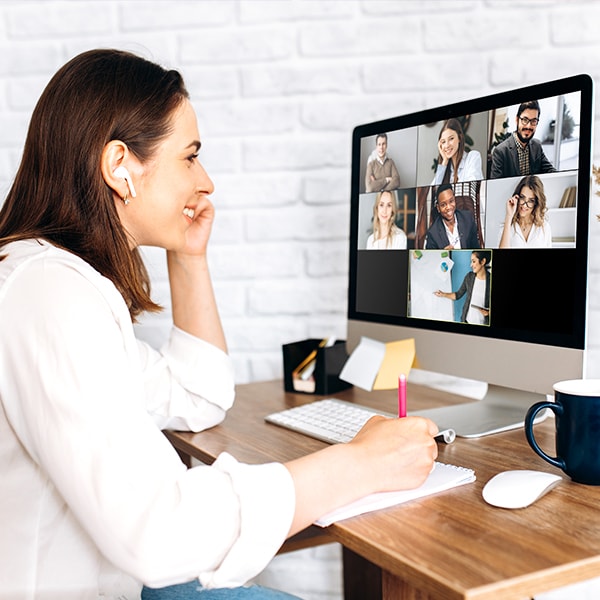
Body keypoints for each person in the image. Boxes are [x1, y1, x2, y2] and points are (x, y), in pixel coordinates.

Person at [0, 49, 439, 600]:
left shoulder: (57, 282)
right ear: (120, 167)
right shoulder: (49, 296)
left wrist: (188, 255)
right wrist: (357, 465)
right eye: (189, 157)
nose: (205, 182)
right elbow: (155, 532)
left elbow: (199, 395)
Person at [490, 100, 557, 179]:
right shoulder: (500, 151)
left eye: (534, 121)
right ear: (517, 120)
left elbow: (550, 170)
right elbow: (495, 185)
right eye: (525, 120)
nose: (529, 126)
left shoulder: (537, 146)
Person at [434, 251, 491, 325]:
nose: (471, 265)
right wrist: (443, 294)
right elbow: (458, 295)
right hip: (466, 321)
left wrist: (489, 312)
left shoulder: (490, 280)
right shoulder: (469, 277)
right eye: (471, 261)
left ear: (483, 261)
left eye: (473, 261)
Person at [499, 175, 552, 248]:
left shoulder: (545, 227)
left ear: (536, 203)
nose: (524, 205)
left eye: (531, 201)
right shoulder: (507, 227)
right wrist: (509, 216)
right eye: (522, 197)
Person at [425, 184, 480, 250]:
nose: (448, 207)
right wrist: (443, 254)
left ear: (455, 200)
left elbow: (476, 248)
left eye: (451, 201)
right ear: (438, 208)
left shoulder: (467, 218)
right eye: (443, 205)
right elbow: (432, 258)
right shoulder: (433, 234)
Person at [431, 118, 483, 185]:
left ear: (459, 138)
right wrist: (444, 161)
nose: (447, 145)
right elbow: (434, 192)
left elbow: (472, 187)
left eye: (451, 139)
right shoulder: (446, 167)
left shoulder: (473, 157)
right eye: (443, 142)